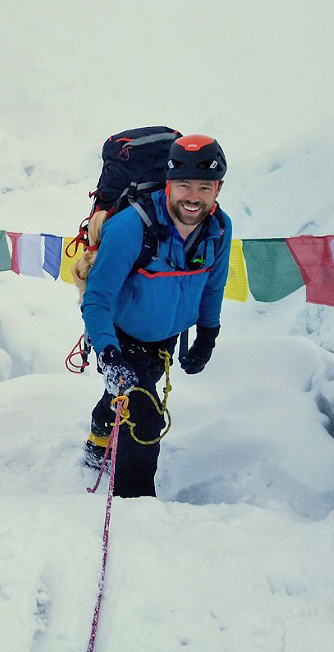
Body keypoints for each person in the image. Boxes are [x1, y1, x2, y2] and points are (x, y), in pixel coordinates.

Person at [80, 135, 231, 498]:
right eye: (183, 185)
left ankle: (99, 435)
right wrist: (109, 353)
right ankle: (136, 507)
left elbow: (214, 286)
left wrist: (207, 335)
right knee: (144, 420)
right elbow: (97, 299)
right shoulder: (131, 227)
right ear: (168, 183)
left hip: (164, 338)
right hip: (121, 336)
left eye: (203, 187)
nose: (192, 197)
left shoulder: (219, 229)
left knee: (130, 393)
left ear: (218, 189)